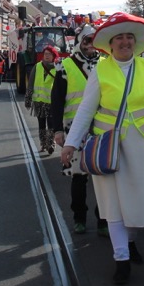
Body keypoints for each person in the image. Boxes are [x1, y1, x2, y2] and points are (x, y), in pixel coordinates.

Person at [60, 12, 144, 285]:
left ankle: (129, 242)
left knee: (136, 204)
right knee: (114, 206)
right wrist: (71, 143)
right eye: (119, 38)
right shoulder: (101, 70)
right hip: (109, 148)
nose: (125, 42)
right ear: (110, 43)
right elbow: (86, 110)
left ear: (135, 42)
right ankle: (121, 259)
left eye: (129, 37)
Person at [51, 24, 108, 236]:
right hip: (74, 130)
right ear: (79, 42)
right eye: (87, 40)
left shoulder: (106, 65)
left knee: (103, 176)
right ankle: (79, 218)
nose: (91, 45)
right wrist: (57, 130)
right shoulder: (65, 66)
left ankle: (103, 219)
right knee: (79, 176)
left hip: (101, 129)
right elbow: (56, 101)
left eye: (94, 41)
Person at [26, 45, 58, 155]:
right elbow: (31, 83)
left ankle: (51, 144)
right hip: (39, 102)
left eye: (49, 54)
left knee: (51, 124)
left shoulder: (58, 68)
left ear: (54, 56)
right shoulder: (37, 66)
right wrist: (28, 98)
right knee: (41, 124)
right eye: (45, 54)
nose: (47, 56)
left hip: (52, 102)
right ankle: (43, 144)